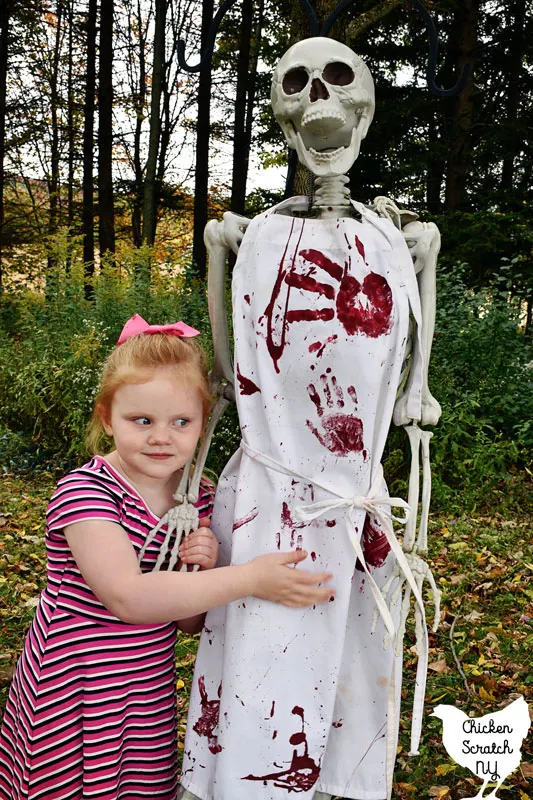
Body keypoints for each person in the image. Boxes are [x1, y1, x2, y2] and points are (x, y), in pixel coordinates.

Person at [0, 315, 335, 800]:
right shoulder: (87, 493)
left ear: (203, 422)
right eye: (143, 421)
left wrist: (206, 563)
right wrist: (247, 580)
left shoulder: (197, 496)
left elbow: (190, 623)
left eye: (182, 422)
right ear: (105, 416)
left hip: (145, 690)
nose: (162, 436)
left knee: (137, 788)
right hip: (75, 684)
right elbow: (130, 599)